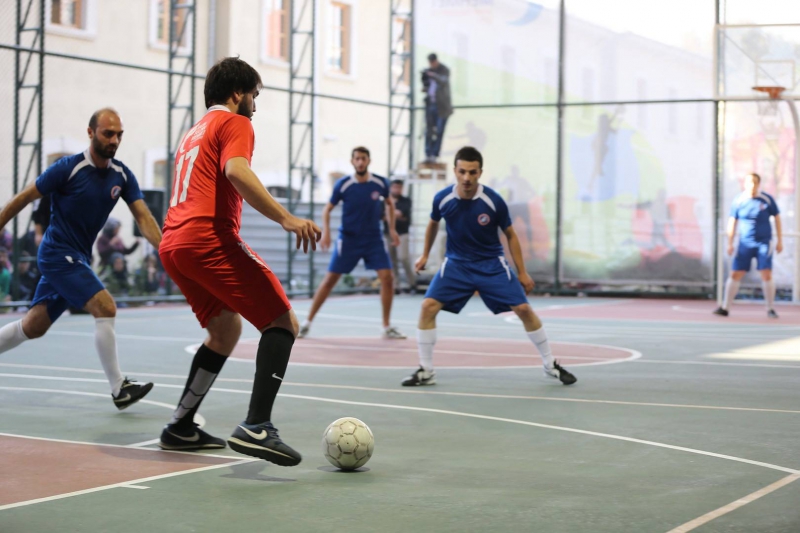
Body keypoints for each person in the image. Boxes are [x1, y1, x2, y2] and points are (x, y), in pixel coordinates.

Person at [156, 57, 321, 467]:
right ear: (237, 93)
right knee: (282, 322)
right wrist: (286, 217)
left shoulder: (194, 132)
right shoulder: (235, 123)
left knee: (225, 329)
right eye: (254, 95)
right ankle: (257, 425)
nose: (255, 106)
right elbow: (236, 171)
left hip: (173, 243)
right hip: (207, 238)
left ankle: (180, 425)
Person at [0, 108, 162, 409]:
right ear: (91, 133)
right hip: (57, 254)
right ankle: (119, 389)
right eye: (108, 134)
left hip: (78, 258)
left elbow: (143, 217)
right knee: (105, 306)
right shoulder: (67, 168)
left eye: (119, 135)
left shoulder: (122, 175)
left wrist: (165, 249)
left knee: (33, 326)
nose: (114, 140)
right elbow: (24, 198)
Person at [402, 146, 577, 387]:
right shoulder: (442, 199)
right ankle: (426, 370)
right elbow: (433, 223)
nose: (467, 177)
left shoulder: (493, 201)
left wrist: (522, 272)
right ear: (455, 171)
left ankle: (550, 365)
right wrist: (424, 255)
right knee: (427, 307)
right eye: (462, 171)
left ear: (480, 173)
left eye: (472, 172)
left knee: (524, 309)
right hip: (456, 265)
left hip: (491, 264)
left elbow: (511, 235)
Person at [298, 147, 405, 340]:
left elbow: (390, 204)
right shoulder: (343, 184)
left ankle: (387, 326)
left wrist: (392, 229)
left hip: (373, 239)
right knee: (330, 280)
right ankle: (306, 323)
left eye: (363, 158)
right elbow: (327, 210)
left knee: (387, 278)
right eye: (357, 159)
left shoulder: (380, 182)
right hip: (348, 240)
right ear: (352, 161)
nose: (360, 162)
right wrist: (326, 232)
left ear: (369, 161)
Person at [714, 172, 783, 318]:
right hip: (745, 243)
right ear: (744, 184)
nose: (752, 185)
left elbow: (777, 218)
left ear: (759, 184)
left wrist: (780, 241)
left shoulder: (767, 199)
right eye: (749, 182)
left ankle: (770, 308)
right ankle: (725, 307)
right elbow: (732, 221)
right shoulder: (739, 200)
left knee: (766, 273)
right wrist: (730, 243)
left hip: (764, 243)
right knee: (735, 273)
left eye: (755, 182)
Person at [384, 179, 415, 292]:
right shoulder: (385, 201)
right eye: (395, 187)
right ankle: (395, 285)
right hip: (388, 234)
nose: (397, 190)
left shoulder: (406, 201)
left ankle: (412, 283)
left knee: (403, 257)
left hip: (402, 233)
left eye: (399, 187)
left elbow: (404, 215)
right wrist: (394, 214)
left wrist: (390, 214)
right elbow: (381, 216)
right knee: (391, 260)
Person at [422, 53, 453, 163]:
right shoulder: (429, 71)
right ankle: (428, 153)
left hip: (442, 107)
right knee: (429, 131)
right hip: (430, 105)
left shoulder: (444, 70)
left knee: (439, 131)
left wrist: (433, 75)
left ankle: (435, 154)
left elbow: (443, 81)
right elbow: (426, 85)